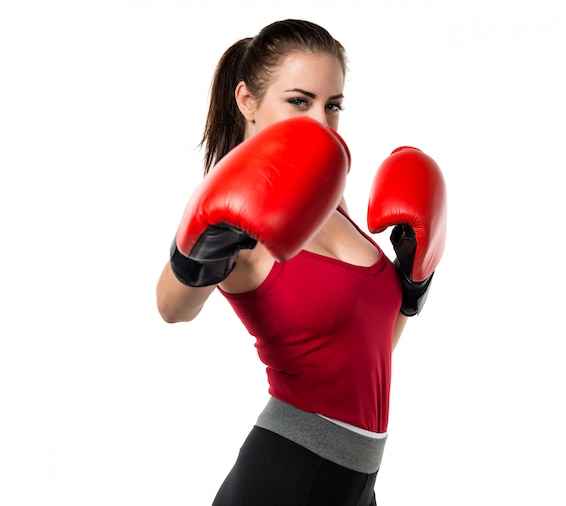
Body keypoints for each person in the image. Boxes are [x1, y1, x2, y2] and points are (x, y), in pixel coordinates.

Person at [156, 19, 446, 506]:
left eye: (332, 106)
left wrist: (412, 285)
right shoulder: (233, 207)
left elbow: (369, 344)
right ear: (248, 101)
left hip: (356, 482)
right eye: (298, 101)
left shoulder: (329, 199)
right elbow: (171, 307)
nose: (320, 122)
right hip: (286, 474)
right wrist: (209, 240)